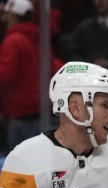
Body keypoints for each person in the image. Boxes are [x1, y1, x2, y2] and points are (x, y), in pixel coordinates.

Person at [0, 0, 63, 151]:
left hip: (20, 114)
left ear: (13, 16)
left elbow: (6, 76)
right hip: (41, 111)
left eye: (7, 15)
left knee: (19, 164)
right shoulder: (41, 40)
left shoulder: (13, 41)